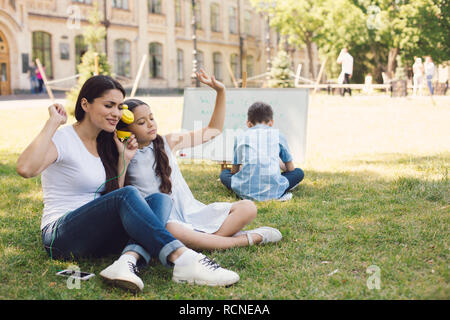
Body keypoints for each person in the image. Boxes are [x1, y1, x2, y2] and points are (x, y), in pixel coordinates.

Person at [16, 75, 240, 293]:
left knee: (160, 199)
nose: (115, 113)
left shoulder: (106, 142)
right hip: (61, 236)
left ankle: (126, 262)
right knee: (129, 194)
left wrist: (124, 160)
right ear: (85, 104)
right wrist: (52, 124)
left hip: (97, 235)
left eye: (119, 106)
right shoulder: (64, 138)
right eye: (108, 105)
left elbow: (113, 195)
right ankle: (183, 259)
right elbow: (26, 169)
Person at [120, 69, 282, 251]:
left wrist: (221, 92)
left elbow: (213, 131)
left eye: (151, 118)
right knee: (172, 230)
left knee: (248, 208)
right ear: (125, 130)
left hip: (191, 213)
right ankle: (248, 239)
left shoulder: (167, 141)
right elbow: (119, 195)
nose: (151, 124)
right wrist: (124, 156)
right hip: (164, 220)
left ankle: (206, 241)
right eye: (141, 122)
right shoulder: (122, 155)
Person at [220, 102, 304, 202]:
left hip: (245, 190)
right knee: (299, 172)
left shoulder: (241, 137)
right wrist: (277, 164)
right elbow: (291, 169)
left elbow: (234, 171)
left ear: (248, 123)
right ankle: (276, 187)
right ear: (271, 122)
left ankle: (245, 188)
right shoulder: (278, 136)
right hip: (274, 190)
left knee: (224, 173)